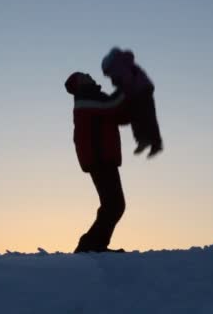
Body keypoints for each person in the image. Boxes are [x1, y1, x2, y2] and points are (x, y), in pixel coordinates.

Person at [65, 71, 129, 253]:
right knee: (114, 204)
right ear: (79, 83)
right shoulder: (85, 97)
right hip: (100, 158)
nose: (88, 75)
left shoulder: (93, 98)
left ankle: (94, 245)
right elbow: (114, 107)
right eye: (83, 75)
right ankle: (90, 245)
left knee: (113, 204)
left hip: (103, 158)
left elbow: (119, 113)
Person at [102, 47, 163, 157]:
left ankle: (144, 140)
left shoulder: (120, 68)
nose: (109, 77)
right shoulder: (125, 64)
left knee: (137, 116)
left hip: (138, 92)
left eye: (108, 74)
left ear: (110, 67)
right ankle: (155, 143)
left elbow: (126, 83)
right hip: (144, 89)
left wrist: (120, 95)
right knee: (149, 117)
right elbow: (125, 84)